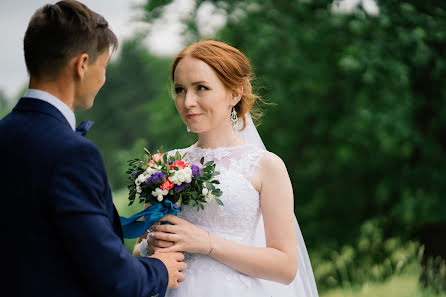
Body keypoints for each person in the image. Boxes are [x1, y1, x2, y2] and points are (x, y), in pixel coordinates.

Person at [0, 1, 186, 296]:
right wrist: (160, 269)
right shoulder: (72, 154)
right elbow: (114, 278)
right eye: (103, 66)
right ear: (82, 65)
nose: (104, 78)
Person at [133, 40, 319, 296]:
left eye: (201, 88)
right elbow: (139, 247)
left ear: (235, 93)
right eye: (180, 89)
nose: (187, 102)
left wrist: (206, 243)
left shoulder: (266, 166)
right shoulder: (164, 165)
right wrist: (151, 246)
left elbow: (285, 267)